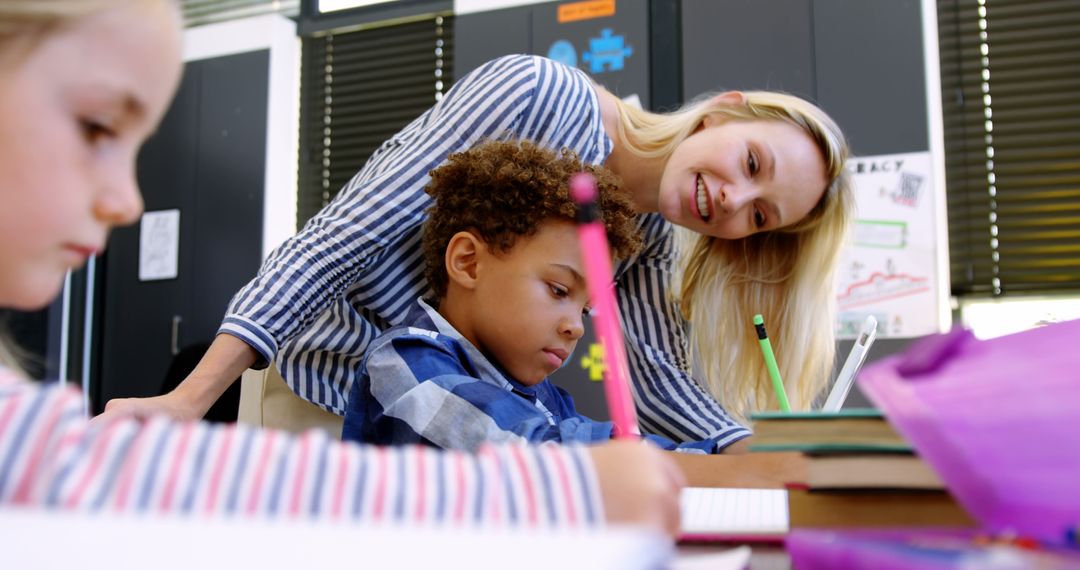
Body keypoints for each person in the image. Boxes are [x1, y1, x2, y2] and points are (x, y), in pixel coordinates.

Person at [0, 0, 683, 537]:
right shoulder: (406, 363)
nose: (128, 201)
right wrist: (578, 480)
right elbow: (291, 486)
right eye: (95, 128)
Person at [105, 53, 854, 449]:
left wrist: (756, 452)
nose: (731, 201)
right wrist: (187, 399)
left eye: (759, 218)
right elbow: (346, 235)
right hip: (327, 402)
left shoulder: (648, 235)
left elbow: (656, 382)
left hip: (447, 429)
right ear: (725, 112)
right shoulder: (540, 97)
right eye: (751, 164)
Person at [342, 140, 720, 453]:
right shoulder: (404, 365)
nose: (576, 328)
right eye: (559, 290)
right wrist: (706, 467)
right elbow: (528, 453)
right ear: (469, 263)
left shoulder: (542, 395)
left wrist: (715, 457)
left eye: (586, 310)